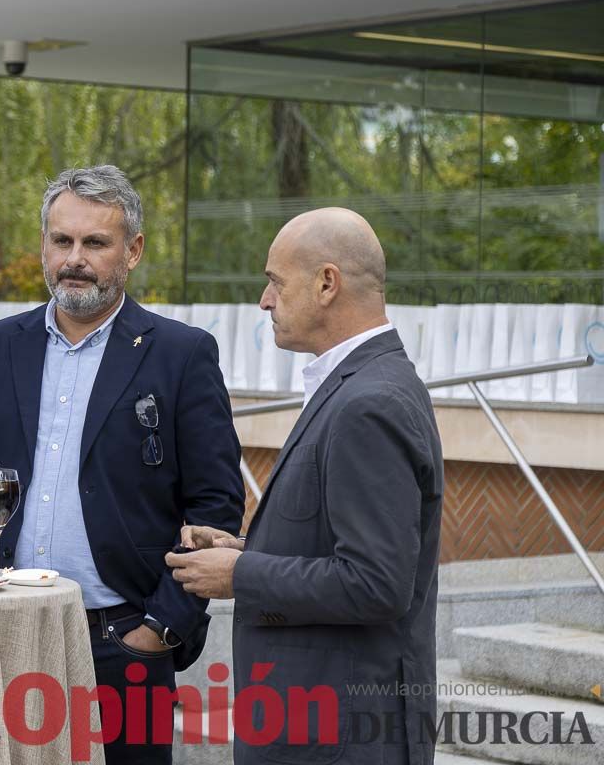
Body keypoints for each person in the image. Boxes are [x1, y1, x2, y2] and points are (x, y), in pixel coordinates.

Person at [0, 165, 245, 764]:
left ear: (133, 250)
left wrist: (160, 631)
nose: (75, 258)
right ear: (43, 243)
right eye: (62, 240)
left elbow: (215, 506)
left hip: (124, 643)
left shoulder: (181, 354)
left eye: (95, 243)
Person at [167, 208, 443, 765]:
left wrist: (240, 574)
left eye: (274, 282)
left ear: (326, 283)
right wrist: (247, 551)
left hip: (338, 738)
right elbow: (348, 553)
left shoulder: (370, 403)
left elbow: (376, 583)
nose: (264, 301)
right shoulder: (362, 385)